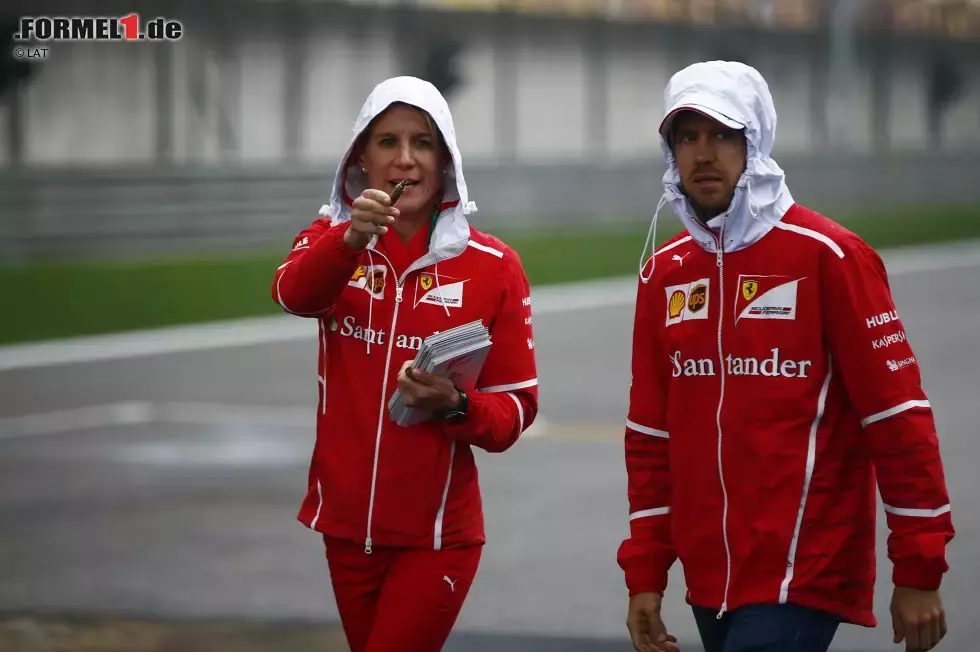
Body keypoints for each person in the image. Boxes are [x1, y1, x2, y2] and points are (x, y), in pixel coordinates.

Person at [618, 61, 955, 652]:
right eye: (688, 136)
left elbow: (898, 420)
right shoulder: (664, 272)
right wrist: (646, 571)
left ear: (756, 141)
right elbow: (650, 435)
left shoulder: (832, 257)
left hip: (804, 570)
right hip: (709, 579)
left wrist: (919, 570)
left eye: (723, 135)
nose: (704, 153)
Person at [271, 76, 538, 652]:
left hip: (437, 537)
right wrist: (348, 241)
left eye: (423, 142)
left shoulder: (494, 266)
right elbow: (293, 296)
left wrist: (456, 405)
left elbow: (516, 410)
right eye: (387, 141)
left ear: (445, 161)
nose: (405, 159)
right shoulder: (329, 240)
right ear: (360, 159)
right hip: (343, 529)